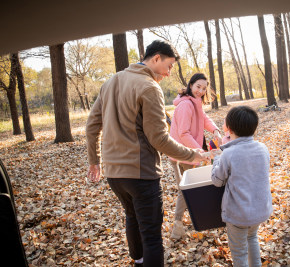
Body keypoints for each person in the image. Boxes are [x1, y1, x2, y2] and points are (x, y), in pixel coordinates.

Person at [86, 40, 208, 267]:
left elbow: (91, 126)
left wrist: (95, 162)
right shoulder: (149, 87)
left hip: (114, 174)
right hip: (141, 173)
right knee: (151, 235)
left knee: (132, 218)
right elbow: (159, 139)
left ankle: (139, 262)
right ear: (156, 58)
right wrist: (193, 154)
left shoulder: (110, 81)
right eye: (169, 66)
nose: (170, 73)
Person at [211, 106, 273, 267]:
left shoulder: (229, 154)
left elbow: (217, 180)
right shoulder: (263, 148)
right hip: (260, 211)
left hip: (239, 213)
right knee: (252, 238)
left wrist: (216, 160)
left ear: (229, 129)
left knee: (239, 253)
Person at [168, 73, 222, 239]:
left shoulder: (194, 103)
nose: (200, 90)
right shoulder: (185, 105)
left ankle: (193, 219)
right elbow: (184, 133)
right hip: (184, 153)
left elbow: (203, 118)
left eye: (204, 88)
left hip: (190, 153)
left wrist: (215, 130)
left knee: (189, 187)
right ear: (190, 85)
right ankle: (177, 226)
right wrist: (200, 152)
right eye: (198, 86)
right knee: (186, 189)